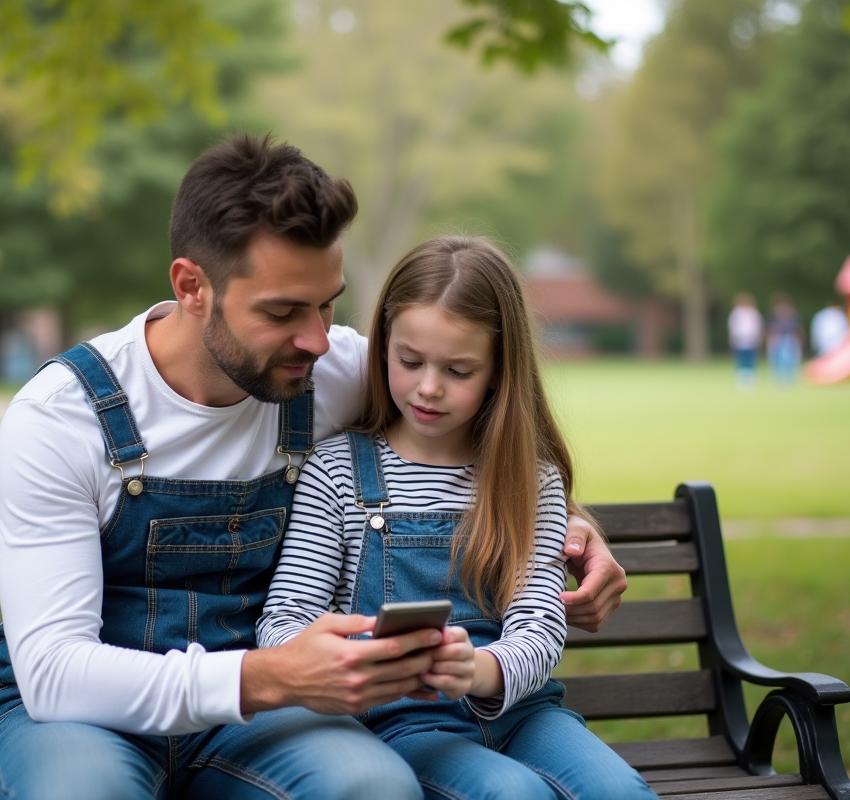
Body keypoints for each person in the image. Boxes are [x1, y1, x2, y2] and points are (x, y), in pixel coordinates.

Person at [0, 134, 629, 800]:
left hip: (256, 721)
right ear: (191, 286)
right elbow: (55, 673)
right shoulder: (63, 418)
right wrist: (272, 676)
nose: (318, 339)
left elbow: (478, 420)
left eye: (327, 304)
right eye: (284, 311)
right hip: (87, 720)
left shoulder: (327, 369)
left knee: (373, 788)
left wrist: (573, 526)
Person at [257, 236, 656, 799]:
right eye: (409, 360)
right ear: (383, 348)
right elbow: (284, 621)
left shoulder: (529, 480)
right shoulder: (339, 470)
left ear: (498, 371)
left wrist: (476, 670)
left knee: (621, 794)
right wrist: (348, 655)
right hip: (400, 721)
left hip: (522, 712)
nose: (428, 387)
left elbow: (539, 625)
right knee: (512, 795)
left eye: (459, 370)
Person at [727, 293, 762, 390]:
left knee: (751, 360)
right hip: (739, 340)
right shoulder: (736, 313)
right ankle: (741, 380)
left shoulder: (753, 313)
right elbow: (733, 327)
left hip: (751, 340)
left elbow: (757, 327)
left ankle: (751, 380)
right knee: (740, 360)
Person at [766, 292, 802, 386]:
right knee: (776, 360)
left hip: (790, 339)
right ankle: (778, 379)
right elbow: (769, 328)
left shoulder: (792, 314)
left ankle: (789, 379)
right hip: (776, 339)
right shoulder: (773, 315)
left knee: (791, 360)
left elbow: (797, 328)